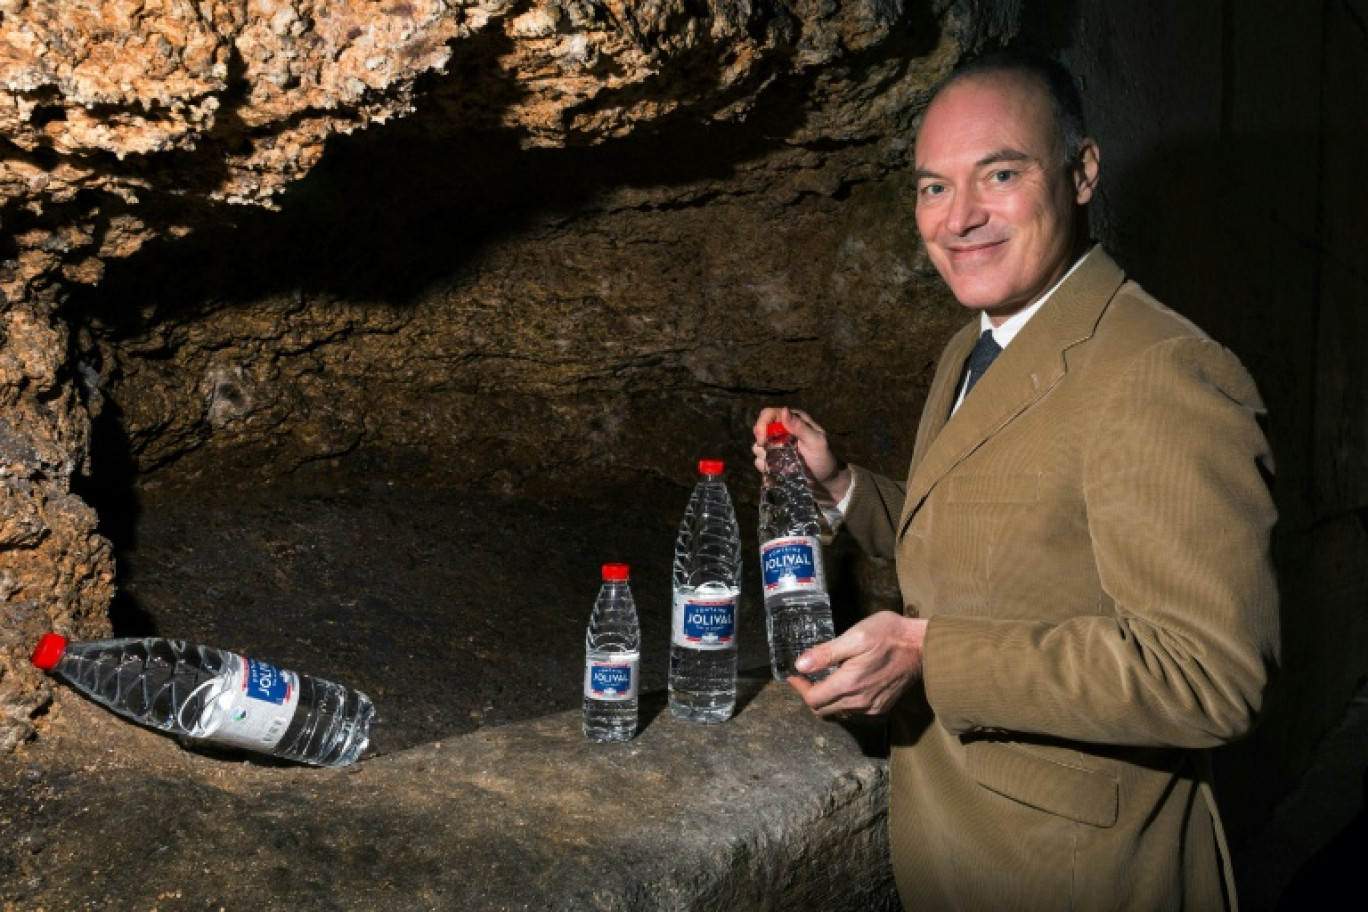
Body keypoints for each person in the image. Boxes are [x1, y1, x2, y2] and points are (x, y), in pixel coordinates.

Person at [752, 51, 1279, 911]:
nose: (958, 219)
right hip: (959, 854)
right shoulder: (976, 342)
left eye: (999, 174)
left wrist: (930, 655)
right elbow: (989, 531)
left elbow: (1208, 677)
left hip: (1076, 876)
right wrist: (841, 482)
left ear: (1082, 172)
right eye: (932, 187)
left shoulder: (1164, 371)